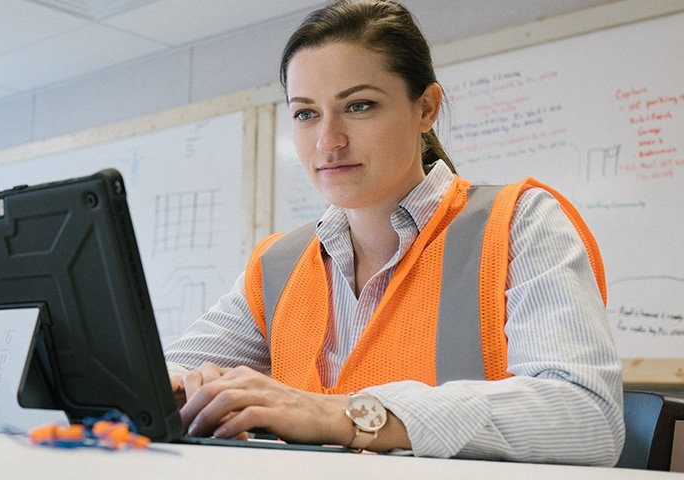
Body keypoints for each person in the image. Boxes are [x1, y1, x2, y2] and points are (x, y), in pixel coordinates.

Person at [163, 0, 624, 466]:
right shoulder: (278, 265)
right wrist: (181, 389)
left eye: (358, 105)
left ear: (425, 108)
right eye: (306, 113)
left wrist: (345, 415)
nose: (328, 141)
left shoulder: (520, 223)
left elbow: (587, 416)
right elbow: (167, 372)